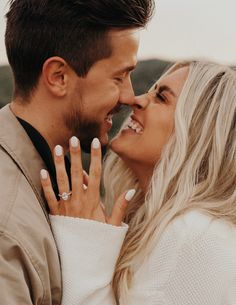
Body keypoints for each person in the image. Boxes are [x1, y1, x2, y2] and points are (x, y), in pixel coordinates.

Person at [41, 60, 236, 305]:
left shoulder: (195, 236)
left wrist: (83, 240)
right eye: (152, 91)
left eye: (162, 98)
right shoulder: (164, 225)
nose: (137, 99)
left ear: (198, 131)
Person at [0, 0, 154, 304]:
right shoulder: (8, 227)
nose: (129, 95)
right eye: (119, 76)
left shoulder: (54, 189)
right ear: (58, 76)